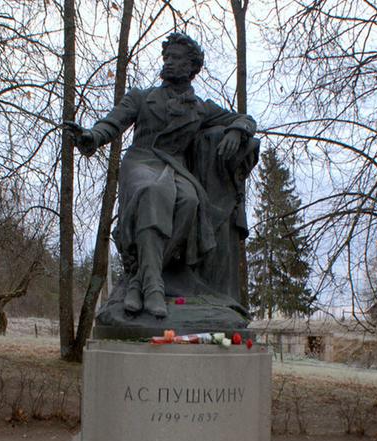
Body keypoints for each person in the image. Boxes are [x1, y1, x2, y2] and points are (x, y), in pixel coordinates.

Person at [64, 33, 256, 318]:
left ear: (191, 67)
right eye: (166, 57)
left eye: (176, 58)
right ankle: (153, 286)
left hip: (175, 167)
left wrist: (236, 130)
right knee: (153, 192)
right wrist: (91, 137)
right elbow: (112, 123)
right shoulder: (141, 97)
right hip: (141, 161)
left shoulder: (200, 108)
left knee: (191, 201)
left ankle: (140, 280)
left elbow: (245, 119)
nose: (168, 62)